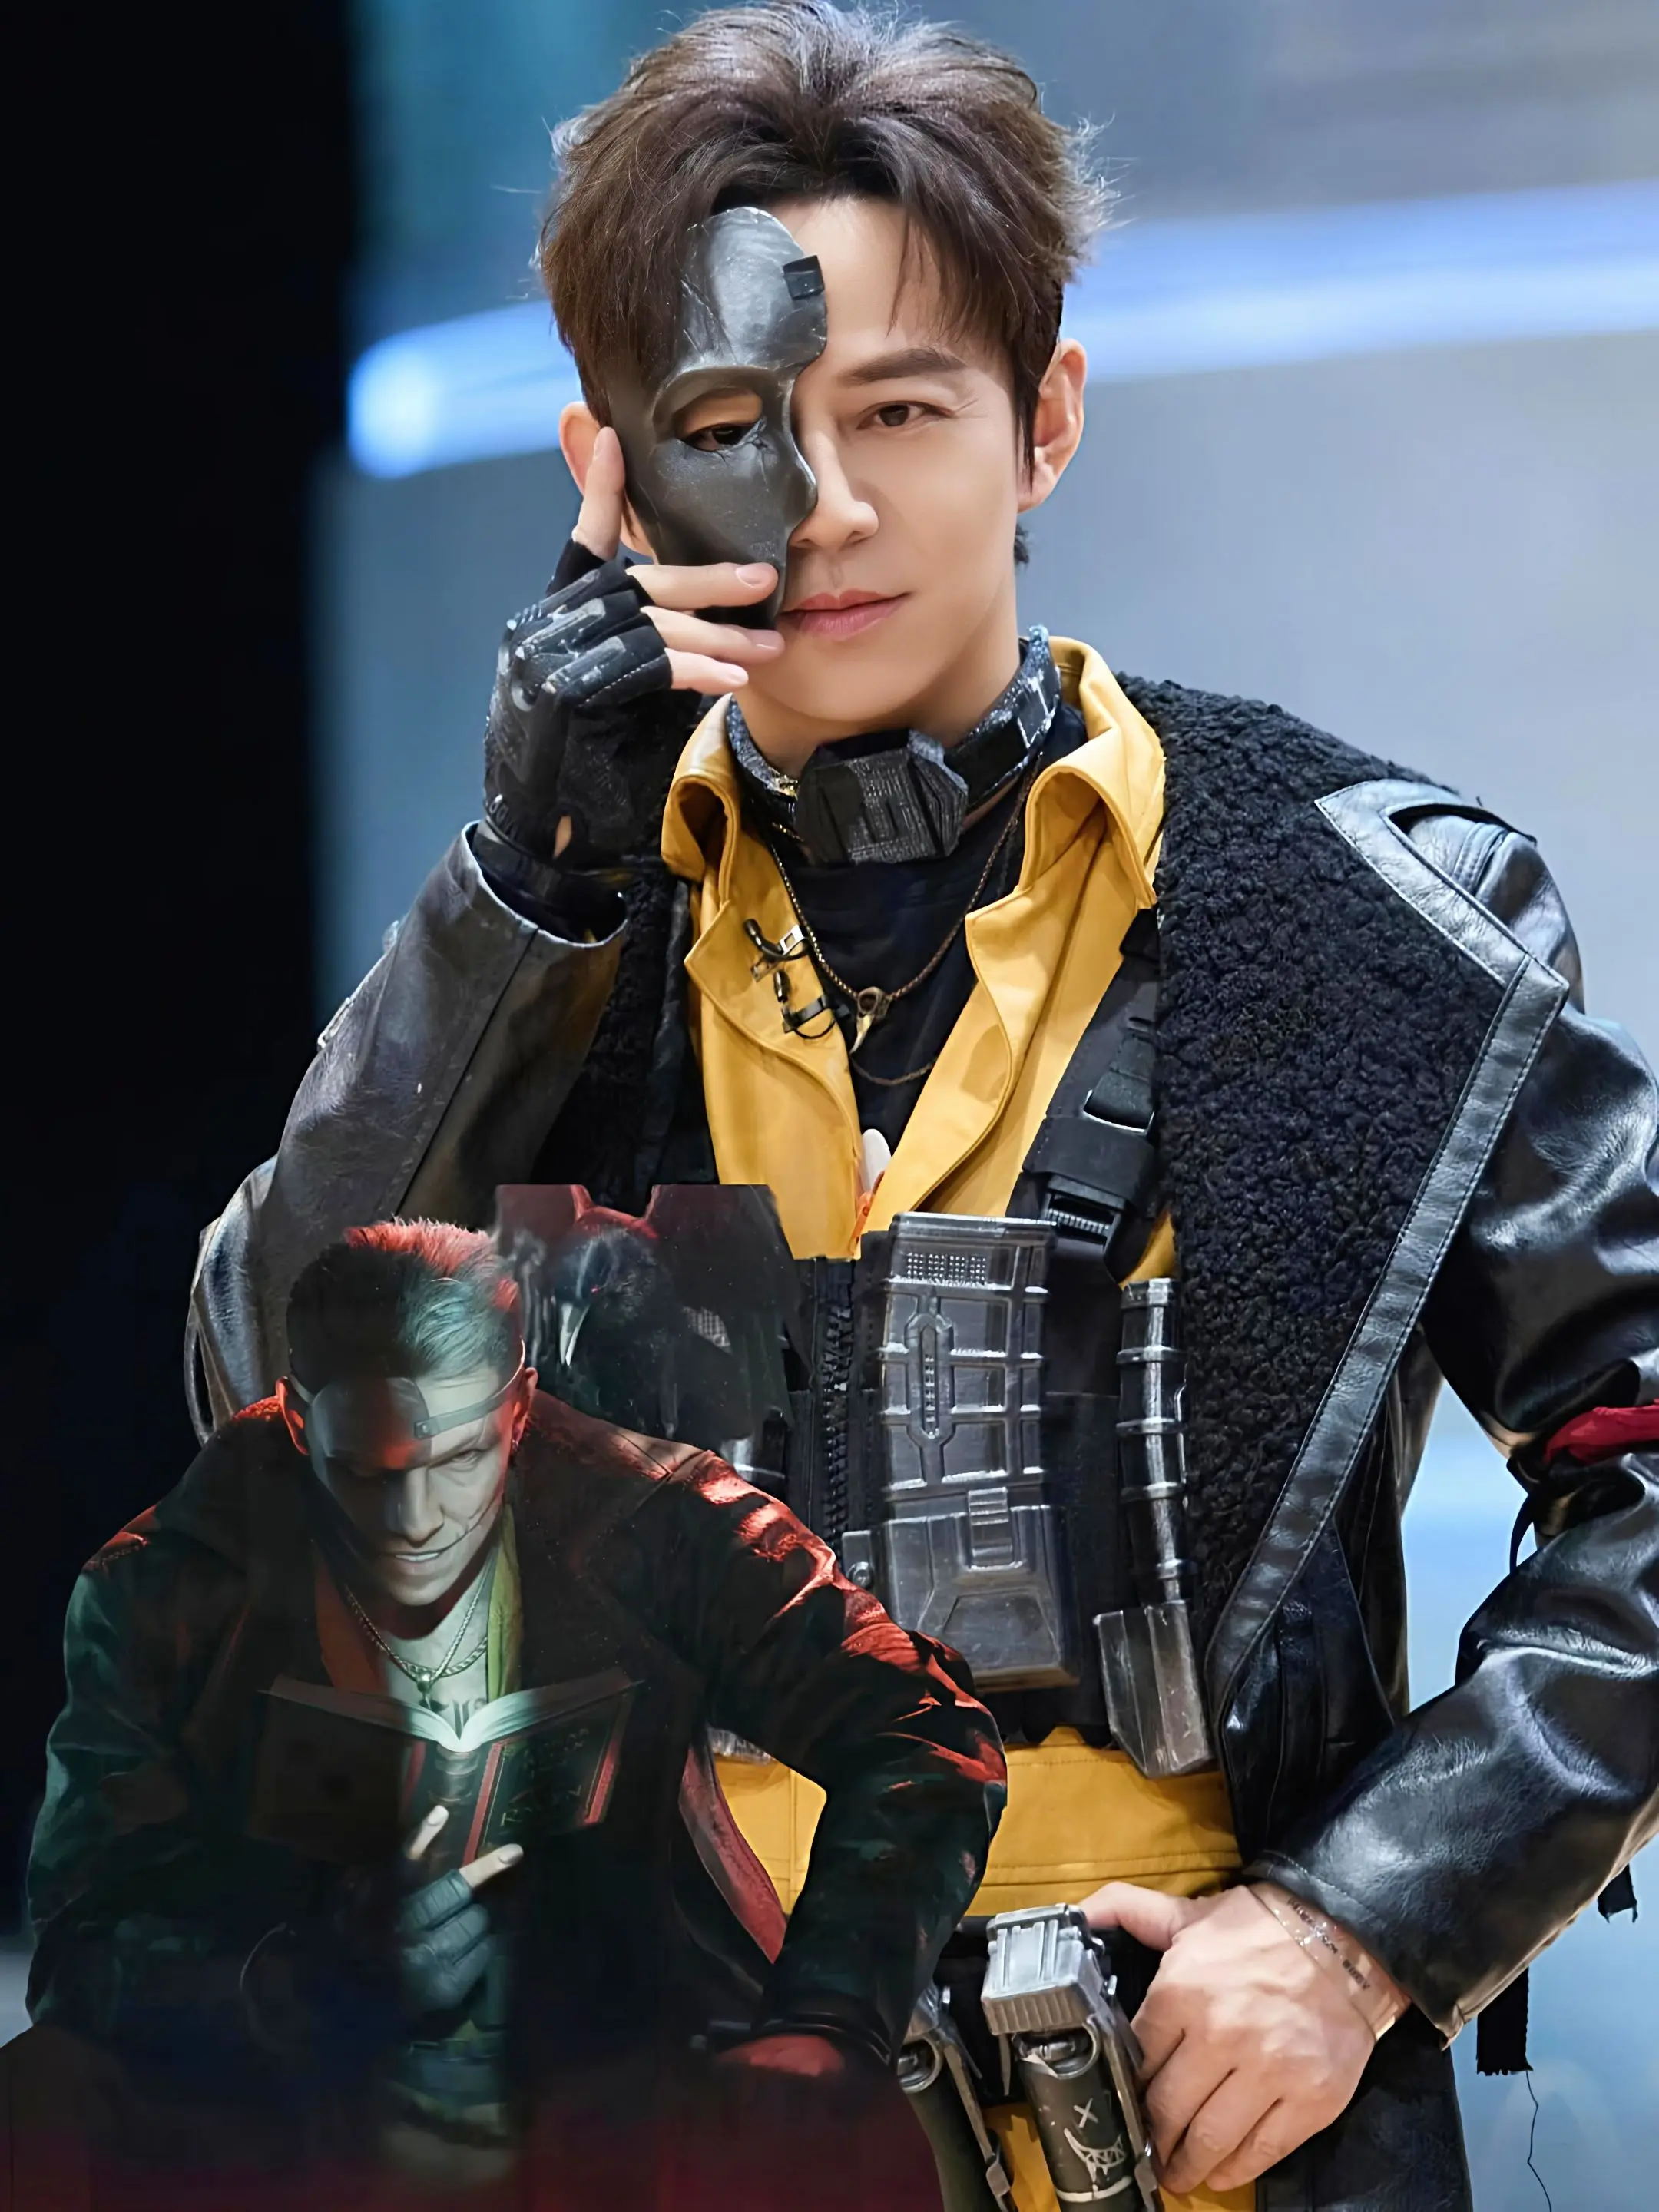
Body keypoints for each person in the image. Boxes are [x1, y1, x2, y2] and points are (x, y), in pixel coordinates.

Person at [187, 5, 1659, 2208]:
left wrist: (1360, 1924)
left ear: (1043, 417)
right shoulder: (547, 954)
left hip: (1203, 2131)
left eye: (899, 408)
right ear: (609, 473)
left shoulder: (1363, 913)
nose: (831, 507)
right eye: (731, 429)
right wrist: (524, 891)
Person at [23, 1220, 1004, 2207]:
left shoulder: (655, 1518)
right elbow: (82, 1943)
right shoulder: (165, 1589)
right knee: (40, 2100)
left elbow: (922, 1725)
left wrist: (829, 2016)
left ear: (520, 1408)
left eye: (459, 1459)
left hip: (639, 2076)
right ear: (295, 1419)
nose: (416, 1522)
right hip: (298, 2111)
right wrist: (308, 1978)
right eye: (367, 1471)